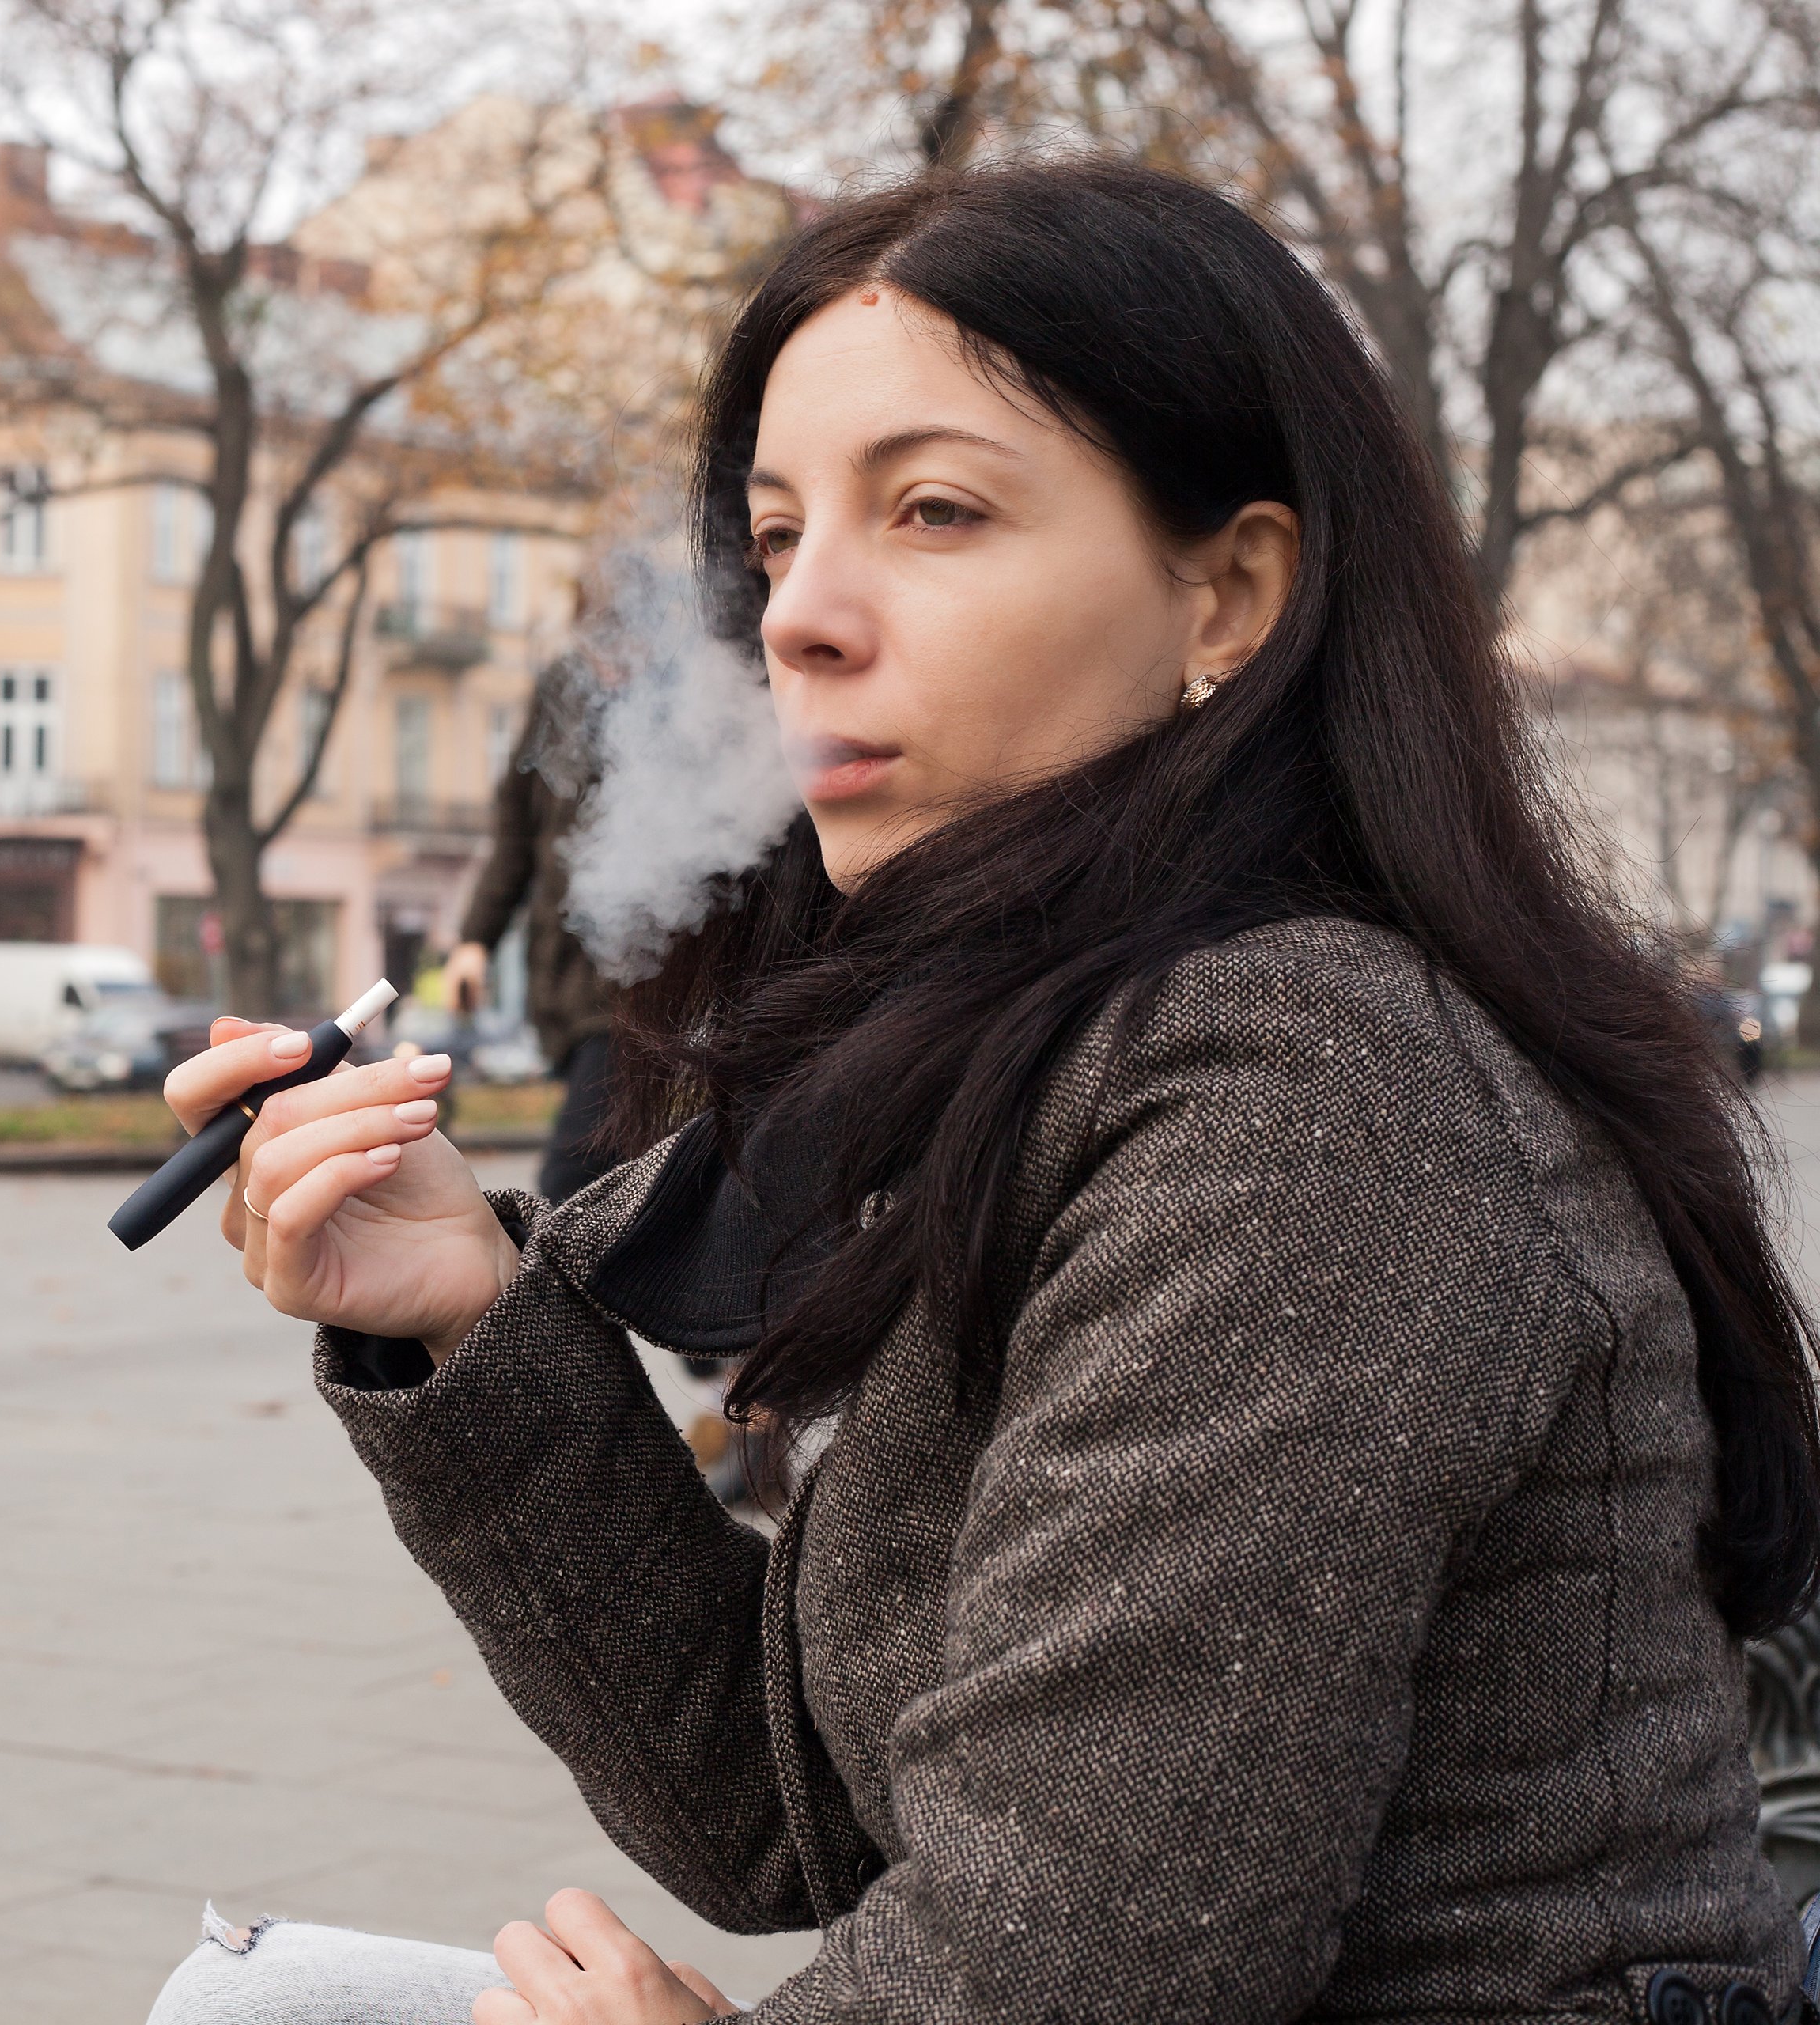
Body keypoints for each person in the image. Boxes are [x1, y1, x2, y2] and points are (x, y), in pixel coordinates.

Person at [146, 157, 1820, 2023]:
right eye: (776, 538)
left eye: (930, 509)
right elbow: (791, 1813)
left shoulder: (1307, 1088)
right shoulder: (1053, 1042)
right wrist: (466, 1311)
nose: (795, 618)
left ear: (1230, 595)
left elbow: (1086, 1957)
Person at [450, 648, 615, 1204]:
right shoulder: (562, 689)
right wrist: (476, 939)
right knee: (606, 1184)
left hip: (636, 996)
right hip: (563, 987)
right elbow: (515, 837)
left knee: (569, 1180)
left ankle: (546, 1287)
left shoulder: (686, 681)